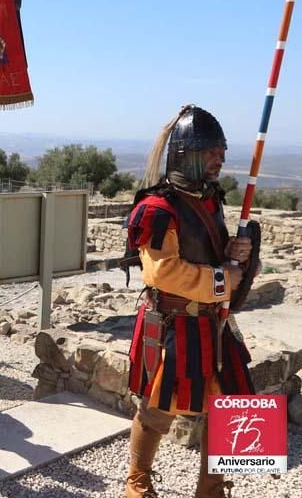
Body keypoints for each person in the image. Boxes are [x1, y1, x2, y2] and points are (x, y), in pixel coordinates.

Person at [122, 105, 256, 498]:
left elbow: (211, 255)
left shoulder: (210, 200)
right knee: (157, 409)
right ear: (186, 153)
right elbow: (162, 273)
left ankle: (211, 490)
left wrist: (234, 251)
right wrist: (222, 280)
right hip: (173, 324)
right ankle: (137, 483)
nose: (220, 159)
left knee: (230, 406)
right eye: (211, 152)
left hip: (211, 324)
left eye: (221, 151)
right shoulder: (157, 209)